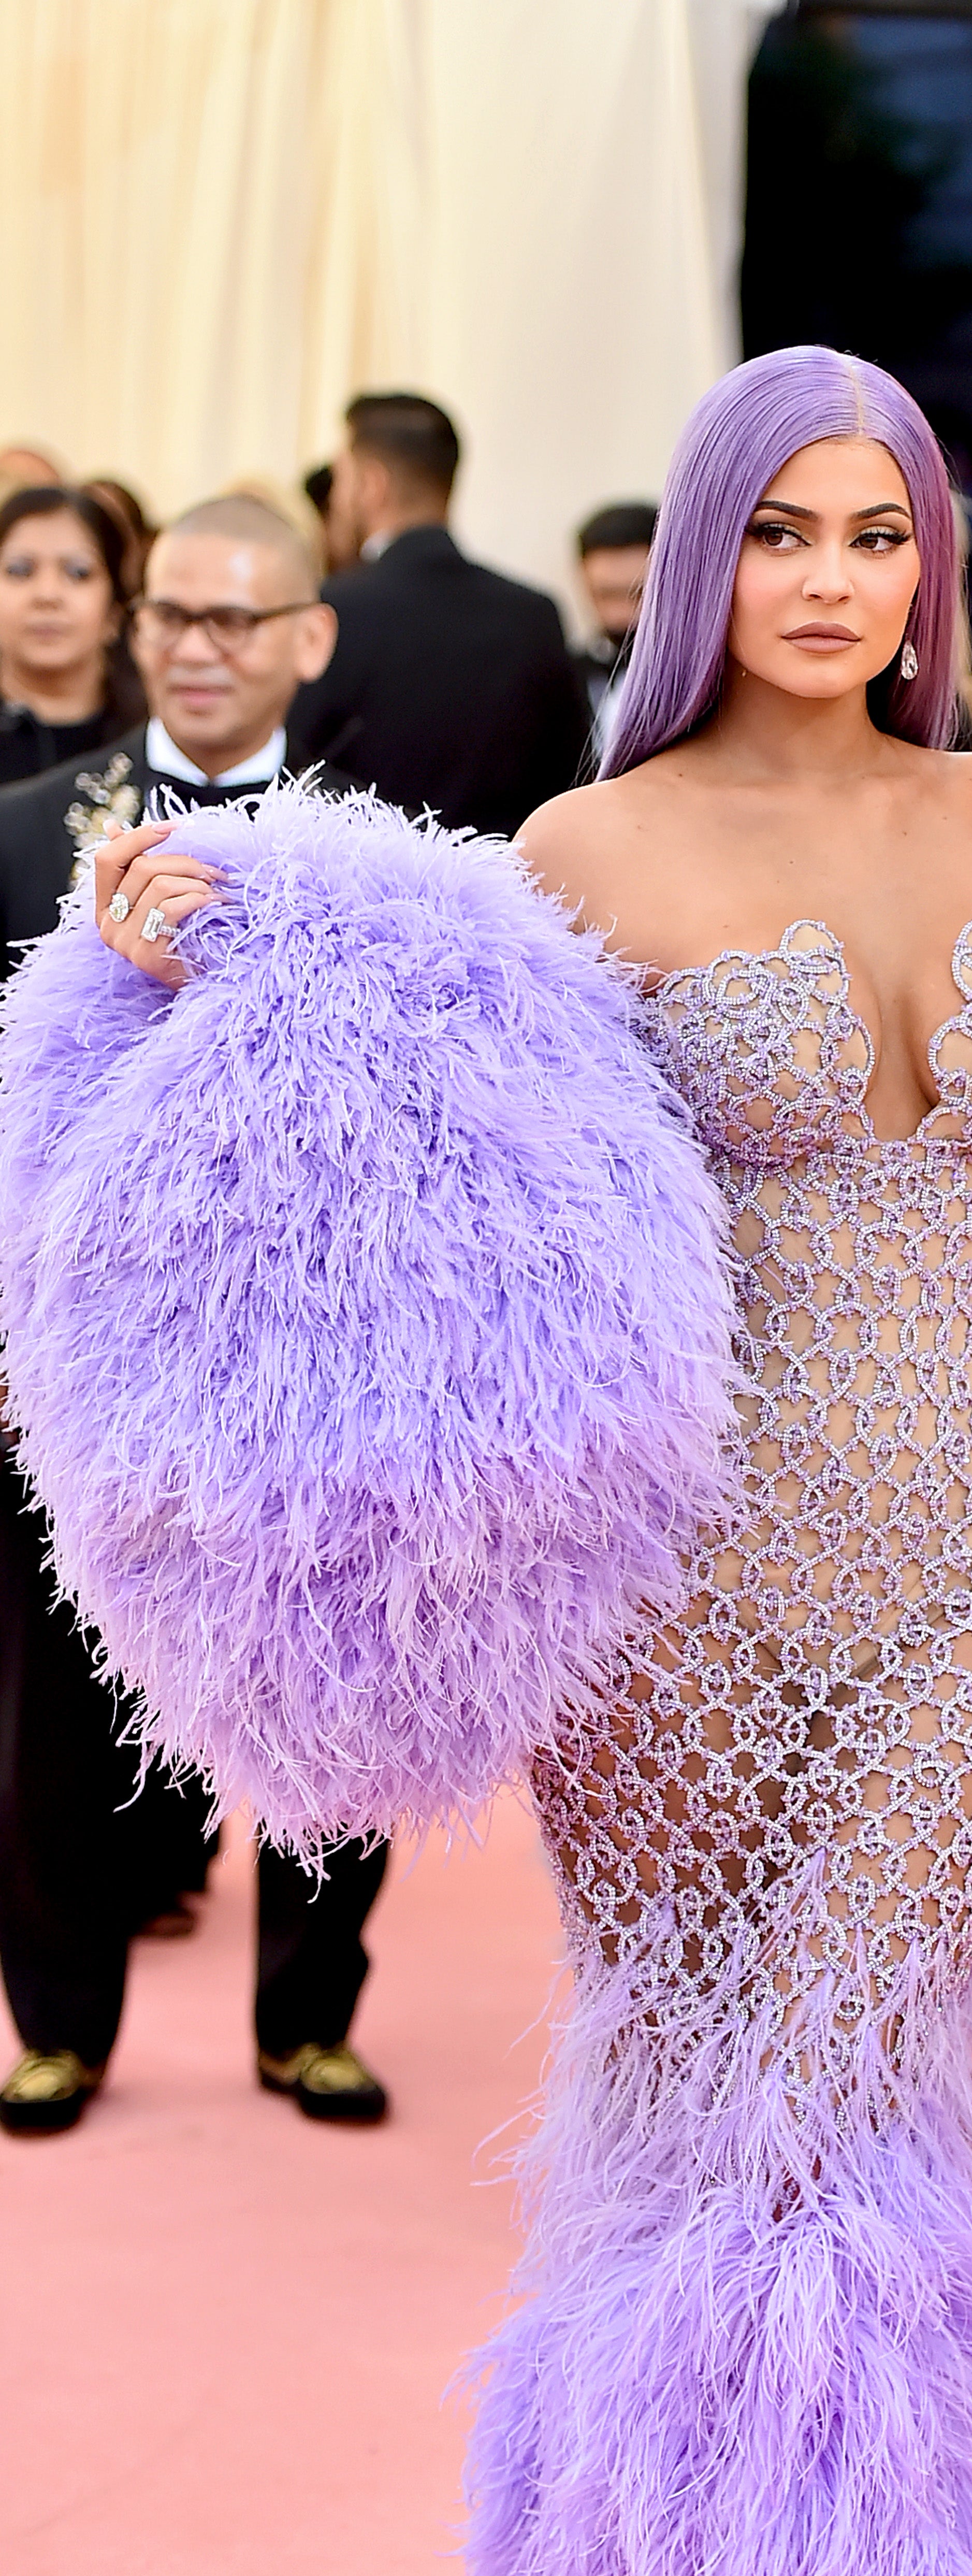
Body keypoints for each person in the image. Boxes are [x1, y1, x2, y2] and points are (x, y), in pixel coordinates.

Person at [79, 349, 972, 2576]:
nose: (834, 581)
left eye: (878, 533)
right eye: (781, 532)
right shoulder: (586, 846)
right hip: (682, 1590)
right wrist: (184, 937)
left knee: (857, 2114)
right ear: (702, 561)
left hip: (967, 1565)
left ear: (930, 561)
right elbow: (404, 1096)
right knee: (708, 2137)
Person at [0, 495, 391, 2140]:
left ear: (310, 636)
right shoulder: (28, 827)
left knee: (341, 1672)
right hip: (82, 1336)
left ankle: (310, 2016)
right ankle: (58, 2024)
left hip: (315, 1337)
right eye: (174, 613)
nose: (198, 645)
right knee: (54, 1692)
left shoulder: (389, 847)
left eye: (238, 619)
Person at [289, 391, 590, 837]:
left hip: (365, 892)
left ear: (372, 485)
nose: (335, 499)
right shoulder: (533, 614)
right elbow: (573, 775)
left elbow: (296, 767)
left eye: (342, 479)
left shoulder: (333, 608)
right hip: (504, 889)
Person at [0, 487, 142, 788]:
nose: (47, 595)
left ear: (116, 610)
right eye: (20, 571)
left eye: (78, 573)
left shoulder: (156, 743)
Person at [571, 498, 656, 753]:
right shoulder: (564, 674)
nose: (621, 615)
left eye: (638, 594)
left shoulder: (711, 681)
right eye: (605, 595)